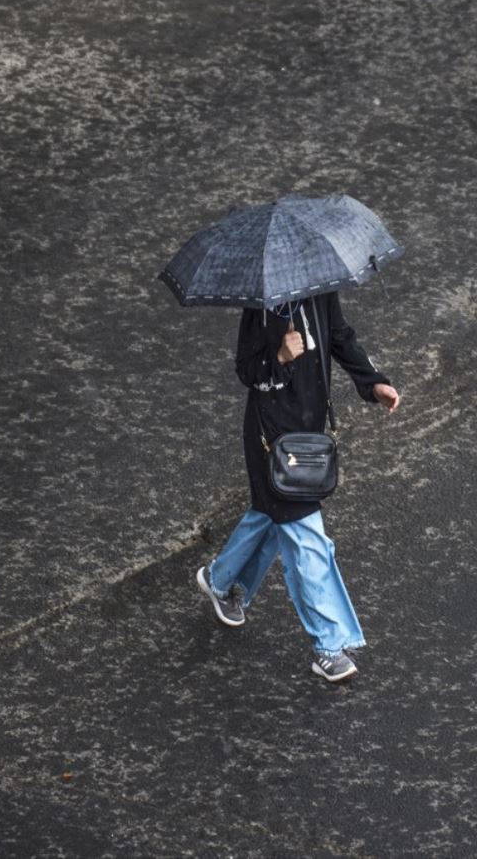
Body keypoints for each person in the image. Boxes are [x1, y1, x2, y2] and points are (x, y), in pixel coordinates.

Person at [196, 291, 400, 682]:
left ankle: (222, 580)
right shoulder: (262, 304)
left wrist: (374, 383)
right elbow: (247, 370)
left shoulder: (320, 290)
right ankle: (329, 645)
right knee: (307, 539)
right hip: (270, 438)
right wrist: (280, 357)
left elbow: (340, 336)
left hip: (308, 430)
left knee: (270, 516)